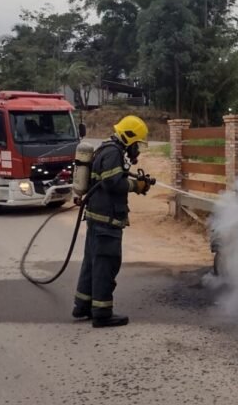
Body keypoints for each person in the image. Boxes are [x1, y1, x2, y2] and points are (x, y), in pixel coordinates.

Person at [72, 115, 151, 327]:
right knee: (106, 264)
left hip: (97, 218)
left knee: (92, 263)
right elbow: (112, 182)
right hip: (107, 220)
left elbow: (112, 177)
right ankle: (102, 313)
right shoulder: (114, 153)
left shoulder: (106, 150)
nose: (138, 150)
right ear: (129, 138)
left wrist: (136, 181)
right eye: (137, 144)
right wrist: (137, 187)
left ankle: (83, 305)